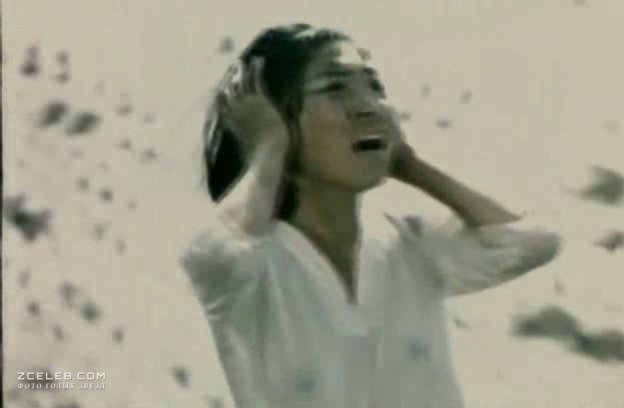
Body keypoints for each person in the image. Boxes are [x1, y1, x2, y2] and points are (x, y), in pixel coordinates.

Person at [180, 23, 562, 408]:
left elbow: (536, 241)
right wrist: (267, 149)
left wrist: (412, 166)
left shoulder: (411, 242)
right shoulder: (259, 266)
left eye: (375, 87)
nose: (370, 106)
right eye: (335, 88)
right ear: (275, 120)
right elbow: (213, 255)